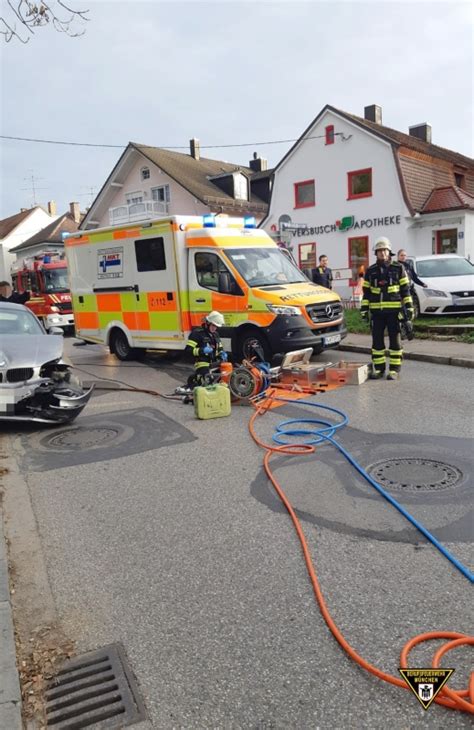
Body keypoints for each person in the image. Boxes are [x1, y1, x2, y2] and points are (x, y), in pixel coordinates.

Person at [360, 237, 413, 381]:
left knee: (395, 342)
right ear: (376, 253)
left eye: (384, 250)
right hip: (377, 314)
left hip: (394, 313)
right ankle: (379, 369)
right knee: (377, 343)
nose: (382, 253)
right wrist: (364, 310)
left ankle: (394, 370)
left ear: (389, 252)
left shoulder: (398, 268)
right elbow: (366, 293)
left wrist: (409, 307)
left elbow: (405, 290)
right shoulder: (370, 271)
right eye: (379, 251)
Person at [186, 310, 227, 387]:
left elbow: (220, 348)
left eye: (216, 326)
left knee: (226, 375)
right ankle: (197, 379)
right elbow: (188, 351)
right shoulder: (197, 334)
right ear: (208, 323)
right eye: (213, 325)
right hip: (203, 363)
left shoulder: (216, 334)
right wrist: (202, 350)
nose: (215, 328)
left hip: (215, 363)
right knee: (209, 381)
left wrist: (222, 353)